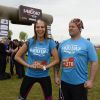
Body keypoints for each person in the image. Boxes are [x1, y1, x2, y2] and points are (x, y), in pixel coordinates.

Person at [15, 18, 59, 100]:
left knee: (49, 98)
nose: (40, 29)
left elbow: (57, 60)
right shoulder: (30, 41)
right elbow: (17, 56)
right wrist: (28, 65)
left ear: (45, 29)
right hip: (30, 75)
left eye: (42, 27)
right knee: (21, 98)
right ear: (35, 29)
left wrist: (45, 67)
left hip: (44, 75)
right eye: (38, 27)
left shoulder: (50, 42)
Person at [54, 18, 98, 100]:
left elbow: (94, 62)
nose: (70, 28)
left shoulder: (87, 44)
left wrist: (91, 81)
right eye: (69, 26)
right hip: (64, 83)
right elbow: (57, 61)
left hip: (80, 84)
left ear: (80, 28)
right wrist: (56, 76)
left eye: (73, 27)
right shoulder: (63, 44)